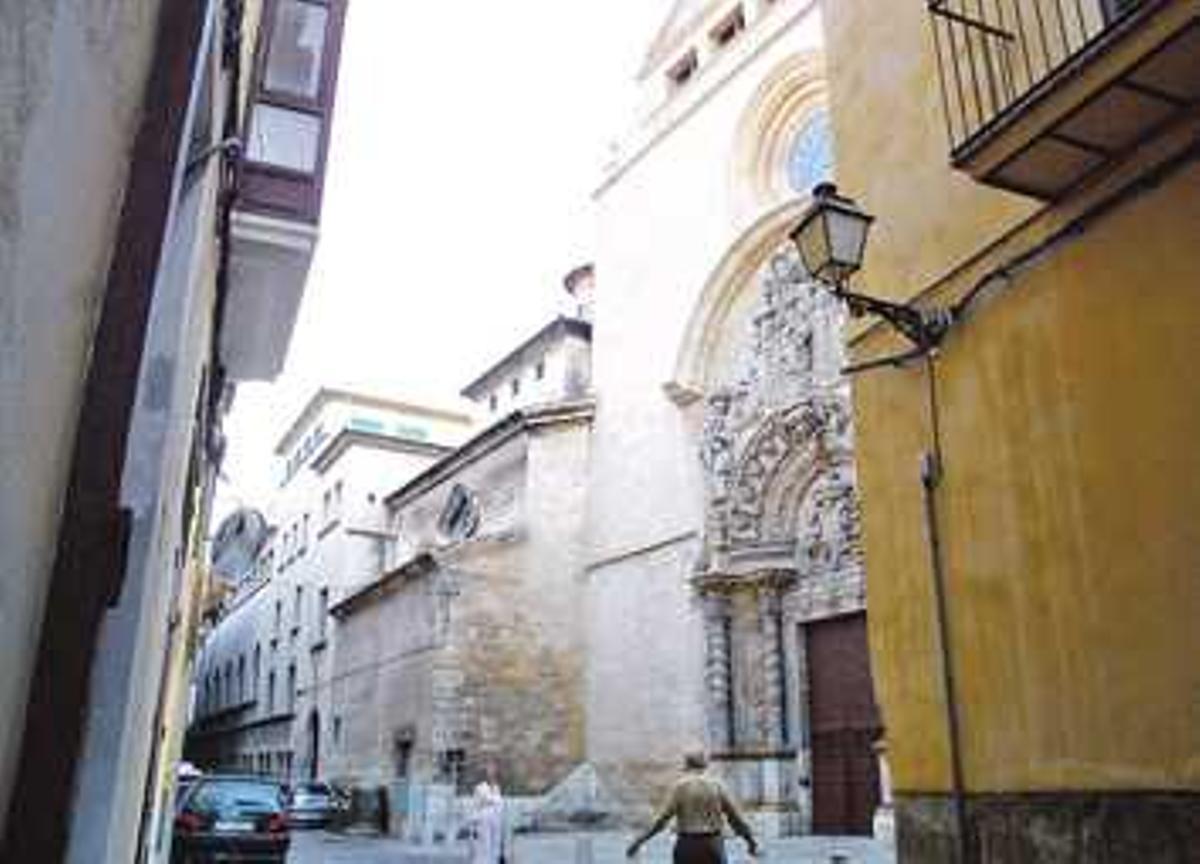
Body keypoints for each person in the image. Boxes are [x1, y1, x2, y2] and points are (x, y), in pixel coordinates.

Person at [626, 752, 759, 863]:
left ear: (687, 765)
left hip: (686, 845)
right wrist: (751, 843)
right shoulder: (717, 786)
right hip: (712, 845)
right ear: (706, 765)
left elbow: (661, 821)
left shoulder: (679, 787)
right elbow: (736, 819)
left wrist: (638, 841)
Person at [469, 766, 505, 864]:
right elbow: (479, 802)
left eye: (493, 773)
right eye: (490, 773)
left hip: (496, 819)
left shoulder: (497, 788)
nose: (492, 775)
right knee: (484, 845)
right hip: (483, 819)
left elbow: (499, 803)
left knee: (495, 845)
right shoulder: (479, 788)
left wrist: (494, 801)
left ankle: (494, 861)